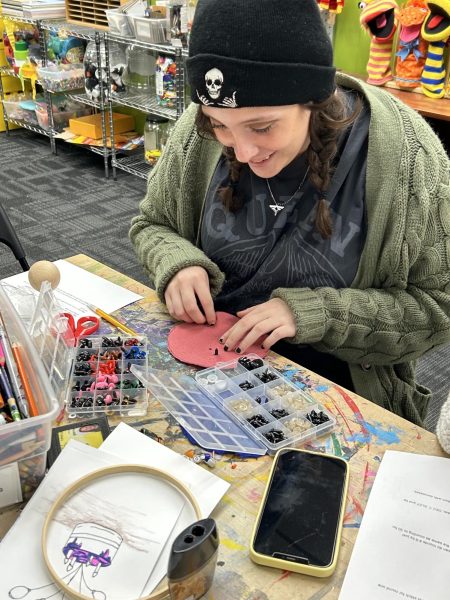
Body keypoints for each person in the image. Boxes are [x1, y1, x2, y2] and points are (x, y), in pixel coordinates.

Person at [130, 0, 450, 427]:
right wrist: (177, 262)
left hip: (336, 395)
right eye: (219, 126)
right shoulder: (203, 123)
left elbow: (436, 308)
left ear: (314, 100)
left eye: (263, 127)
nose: (241, 151)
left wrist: (316, 314)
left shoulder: (407, 159)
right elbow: (152, 223)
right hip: (203, 367)